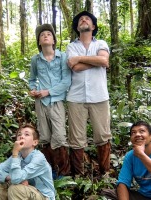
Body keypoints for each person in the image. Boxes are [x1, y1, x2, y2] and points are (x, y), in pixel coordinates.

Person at [66, 11, 112, 177]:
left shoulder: (101, 43)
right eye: (80, 19)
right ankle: (78, 176)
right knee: (76, 138)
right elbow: (75, 67)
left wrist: (80, 59)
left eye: (87, 19)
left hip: (99, 96)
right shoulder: (71, 46)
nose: (83, 20)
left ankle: (105, 173)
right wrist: (96, 61)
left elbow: (104, 61)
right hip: (76, 97)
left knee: (102, 135)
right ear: (77, 27)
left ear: (93, 26)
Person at [29, 24, 71, 179]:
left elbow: (66, 82)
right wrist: (33, 89)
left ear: (53, 40)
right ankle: (50, 170)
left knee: (59, 136)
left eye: (49, 34)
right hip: (40, 104)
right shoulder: (36, 59)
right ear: (39, 42)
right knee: (45, 136)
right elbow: (32, 79)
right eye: (42, 35)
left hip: (56, 102)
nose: (45, 36)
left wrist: (48, 92)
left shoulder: (62, 57)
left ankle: (63, 172)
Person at [0, 124, 56, 200]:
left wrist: (15, 152)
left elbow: (16, 179)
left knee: (15, 189)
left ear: (35, 142)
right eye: (19, 134)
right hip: (26, 190)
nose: (21, 136)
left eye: (26, 134)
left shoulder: (38, 158)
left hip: (43, 195)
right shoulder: (18, 156)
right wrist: (8, 177)